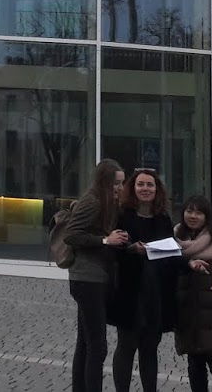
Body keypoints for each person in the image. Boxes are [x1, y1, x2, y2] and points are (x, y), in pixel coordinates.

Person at [62, 158, 131, 392]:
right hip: (87, 279)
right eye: (116, 183)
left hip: (95, 277)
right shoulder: (92, 202)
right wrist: (105, 240)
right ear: (104, 182)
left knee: (85, 343)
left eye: (122, 183)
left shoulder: (107, 202)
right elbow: (71, 235)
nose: (120, 188)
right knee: (97, 347)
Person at [108, 168, 178, 392]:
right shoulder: (122, 216)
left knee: (150, 349)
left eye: (150, 185)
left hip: (156, 293)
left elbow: (172, 252)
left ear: (157, 190)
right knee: (126, 346)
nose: (145, 189)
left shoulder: (163, 219)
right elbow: (113, 250)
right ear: (133, 188)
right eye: (141, 184)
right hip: (129, 291)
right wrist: (131, 249)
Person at [174, 195, 212, 392]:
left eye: (199, 212)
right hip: (188, 313)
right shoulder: (174, 241)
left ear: (207, 216)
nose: (193, 216)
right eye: (189, 211)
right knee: (195, 366)